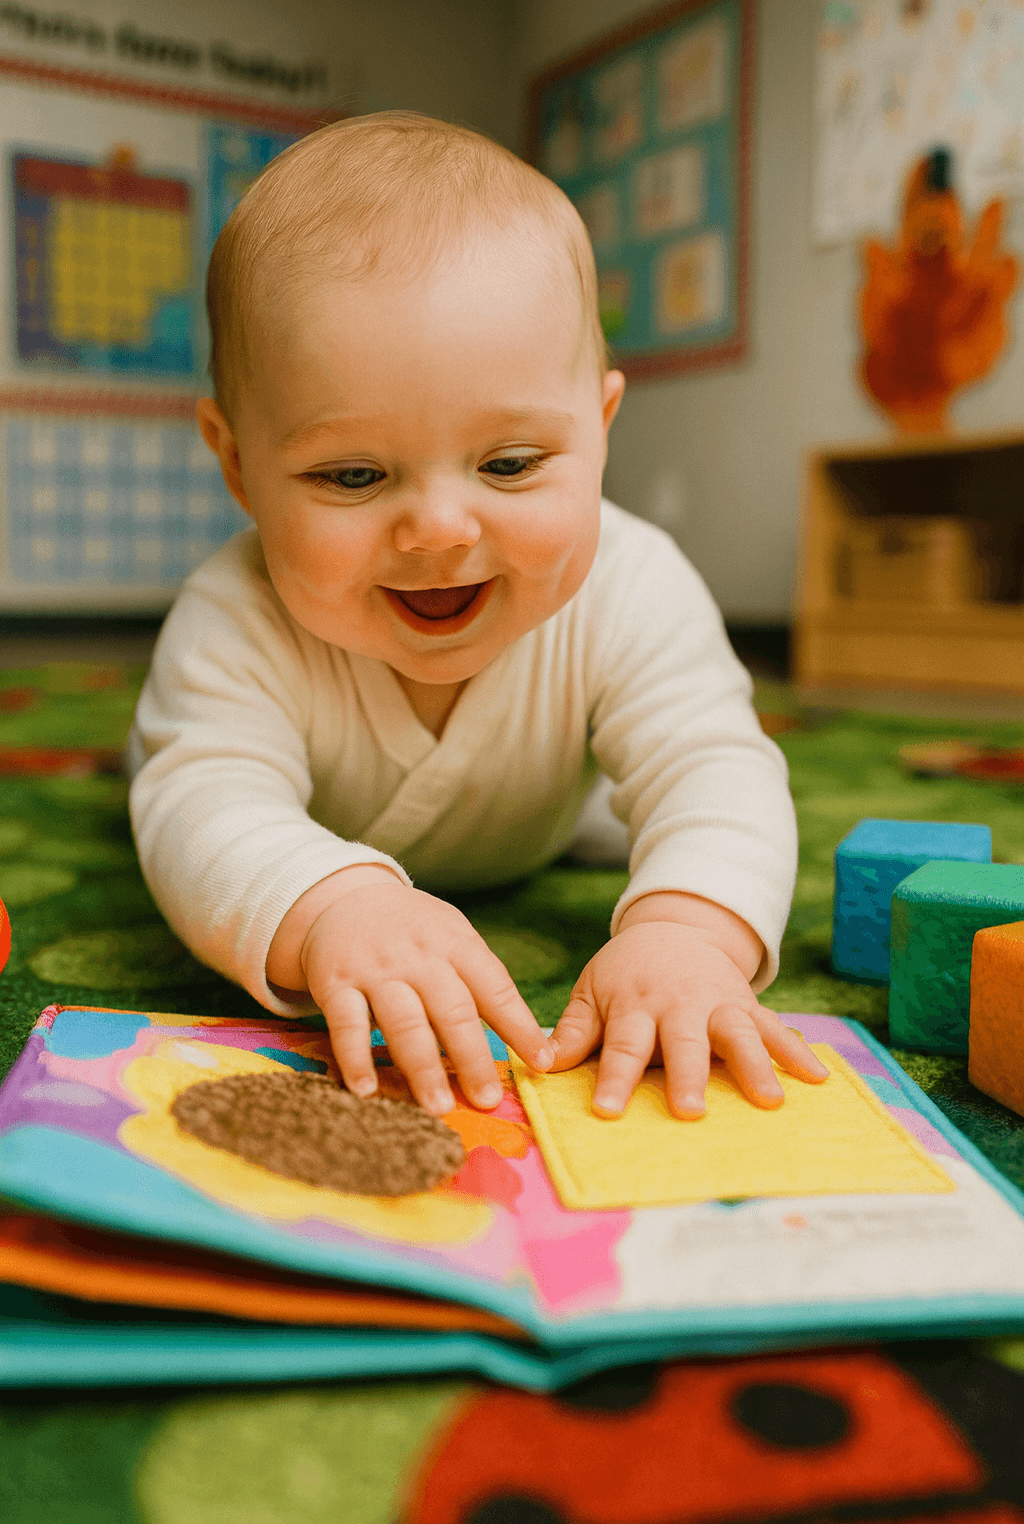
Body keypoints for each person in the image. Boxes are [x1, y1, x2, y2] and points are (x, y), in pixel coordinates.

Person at [129, 111, 827, 1125]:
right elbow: (202, 804)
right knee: (162, 766)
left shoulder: (632, 584)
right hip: (337, 832)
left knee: (655, 808)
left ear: (599, 425)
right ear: (237, 463)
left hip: (541, 819)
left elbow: (713, 763)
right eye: (354, 474)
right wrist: (335, 908)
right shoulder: (235, 617)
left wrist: (687, 931)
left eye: (508, 464)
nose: (439, 529)